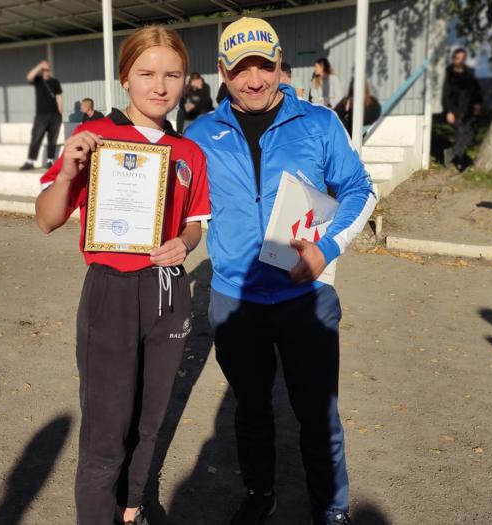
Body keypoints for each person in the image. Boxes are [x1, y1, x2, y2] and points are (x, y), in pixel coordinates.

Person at [186, 17, 376, 525]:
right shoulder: (199, 135)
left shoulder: (319, 123)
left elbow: (360, 189)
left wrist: (327, 249)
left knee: (318, 413)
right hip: (234, 299)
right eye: (240, 70)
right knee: (251, 410)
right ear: (222, 71)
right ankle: (259, 494)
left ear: (279, 66)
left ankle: (332, 508)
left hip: (305, 297)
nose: (254, 81)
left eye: (264, 67)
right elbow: (180, 209)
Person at [35, 26, 210, 525]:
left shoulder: (189, 151)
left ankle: (130, 509)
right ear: (124, 79)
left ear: (185, 80)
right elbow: (46, 219)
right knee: (106, 430)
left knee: (149, 419)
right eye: (147, 73)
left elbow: (194, 224)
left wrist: (185, 244)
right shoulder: (94, 139)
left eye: (172, 75)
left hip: (167, 292)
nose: (160, 85)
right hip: (111, 290)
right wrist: (68, 173)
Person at [442, 47, 482, 171]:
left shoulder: (469, 72)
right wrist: (449, 111)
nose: (460, 60)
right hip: (455, 110)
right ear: (453, 59)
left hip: (469, 110)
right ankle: (461, 164)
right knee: (460, 134)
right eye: (458, 58)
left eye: (463, 58)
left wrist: (478, 103)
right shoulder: (449, 73)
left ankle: (451, 153)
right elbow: (446, 94)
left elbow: (476, 89)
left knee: (468, 136)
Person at [20, 60, 63, 170]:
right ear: (41, 70)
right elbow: (29, 77)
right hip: (41, 116)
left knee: (52, 140)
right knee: (36, 138)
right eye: (43, 70)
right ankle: (30, 162)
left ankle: (50, 161)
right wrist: (40, 65)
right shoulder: (37, 80)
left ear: (50, 70)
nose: (45, 71)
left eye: (47, 69)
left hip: (55, 116)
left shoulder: (55, 82)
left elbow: (58, 96)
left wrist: (60, 111)